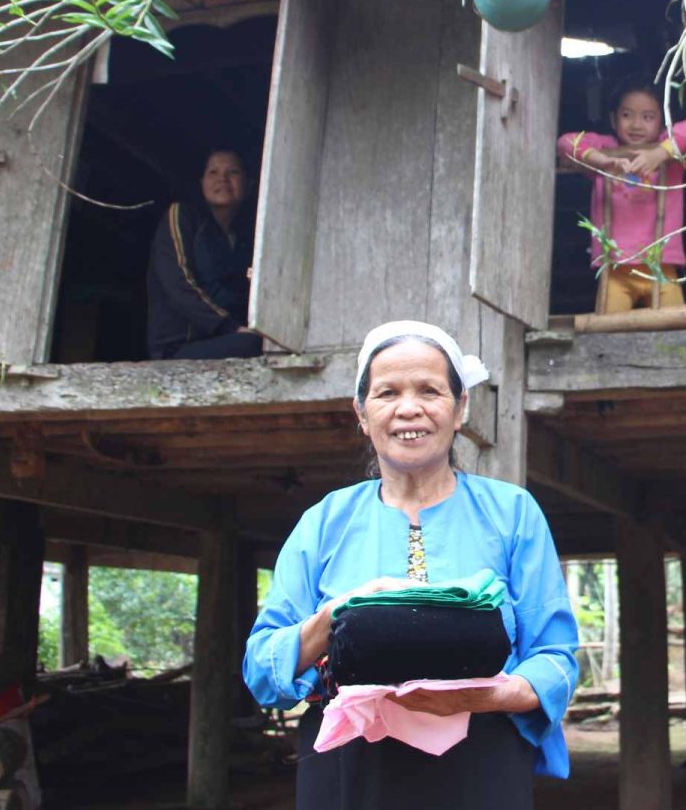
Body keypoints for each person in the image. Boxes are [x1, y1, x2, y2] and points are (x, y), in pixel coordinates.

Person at [243, 321, 579, 809]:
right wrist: (337, 614)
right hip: (348, 767)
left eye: (429, 390)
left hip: (481, 765)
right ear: (362, 413)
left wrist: (480, 697)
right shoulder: (325, 522)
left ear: (460, 408)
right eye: (387, 393)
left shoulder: (512, 514)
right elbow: (261, 667)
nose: (408, 408)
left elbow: (555, 658)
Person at [557, 76, 686, 312]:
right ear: (613, 119)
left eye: (648, 117)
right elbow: (566, 142)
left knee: (673, 329)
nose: (636, 125)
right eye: (627, 115)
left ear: (662, 121)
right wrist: (602, 161)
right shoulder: (606, 148)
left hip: (661, 265)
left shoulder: (669, 153)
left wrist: (659, 154)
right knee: (610, 329)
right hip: (616, 268)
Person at [145, 148, 264, 360]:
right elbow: (178, 283)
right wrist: (229, 327)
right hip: (179, 346)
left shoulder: (244, 238)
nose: (222, 179)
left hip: (223, 339)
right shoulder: (182, 216)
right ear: (201, 183)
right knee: (254, 344)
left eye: (233, 172)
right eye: (213, 172)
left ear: (249, 184)